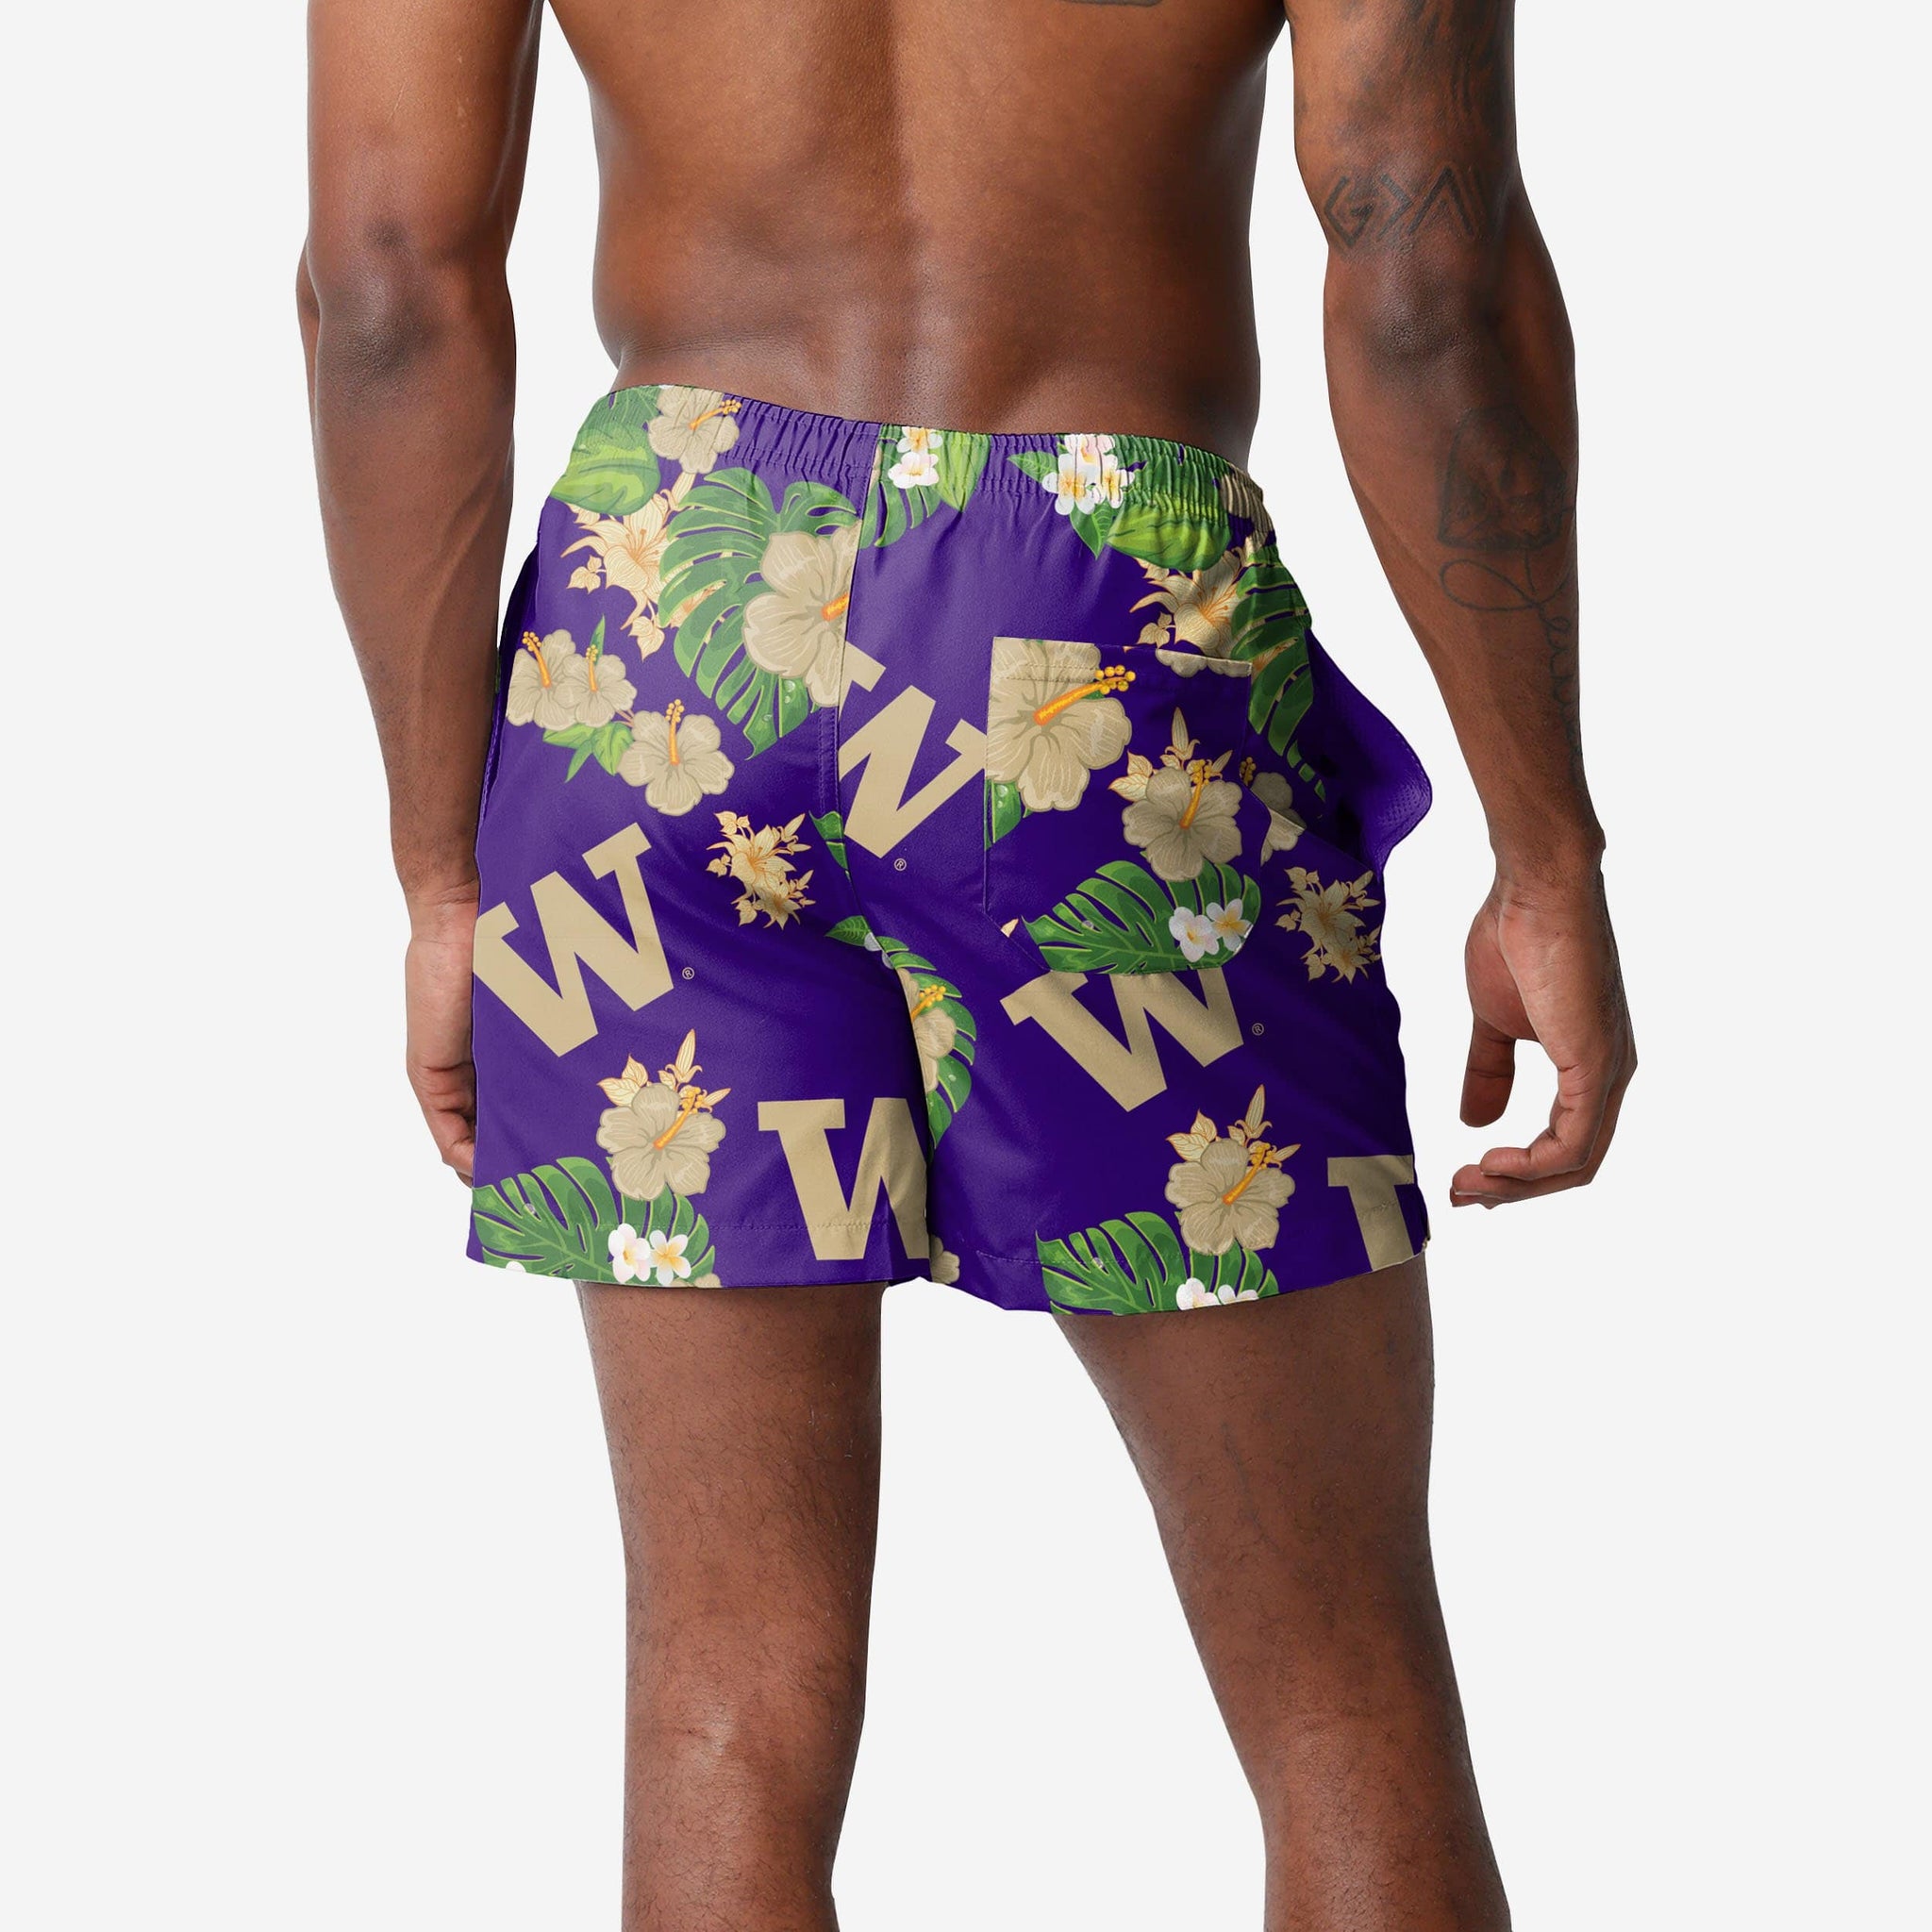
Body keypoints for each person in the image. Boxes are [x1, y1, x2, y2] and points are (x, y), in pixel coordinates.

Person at [301, 0, 1634, 1922]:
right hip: (1089, 642)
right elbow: (1425, 271)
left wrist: (442, 873)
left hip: (661, 635)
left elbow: (383, 286)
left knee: (726, 1689)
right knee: (1337, 1689)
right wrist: (1546, 849)